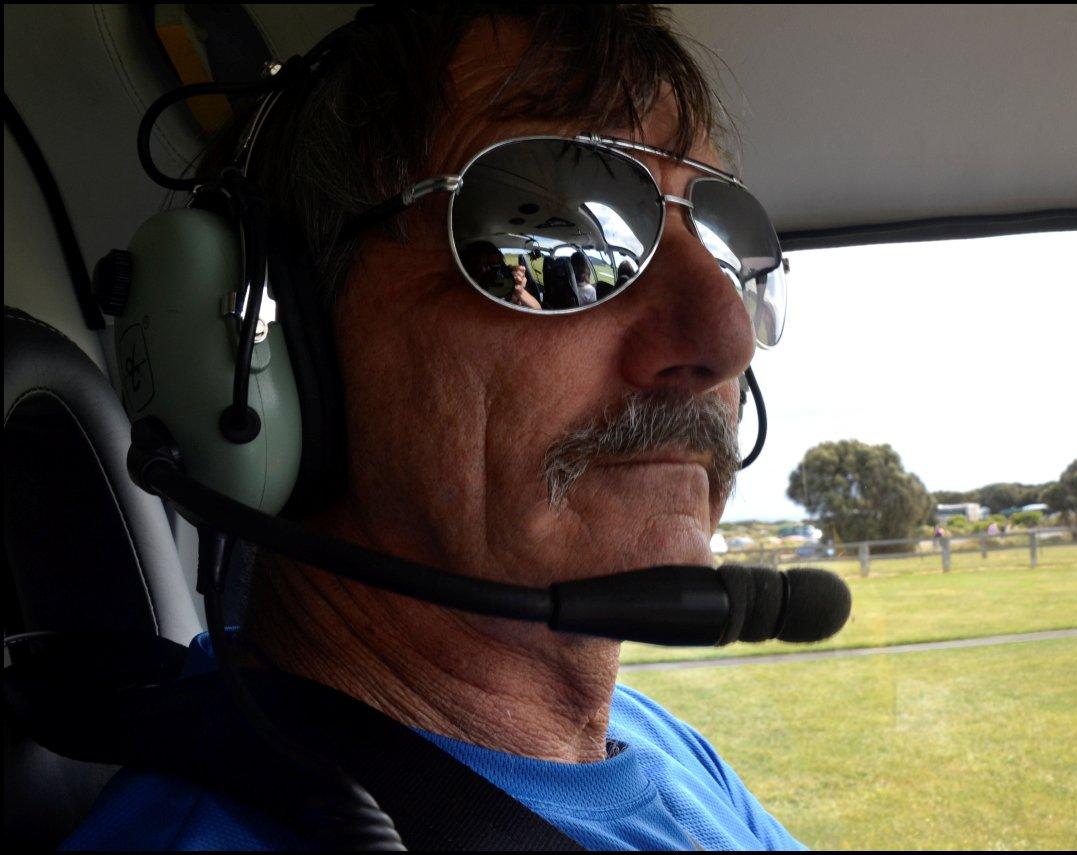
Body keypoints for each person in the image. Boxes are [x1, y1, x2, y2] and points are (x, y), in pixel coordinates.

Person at [64, 4, 803, 851]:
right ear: (271, 352)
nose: (726, 334)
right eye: (559, 236)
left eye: (723, 239)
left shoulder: (654, 742)